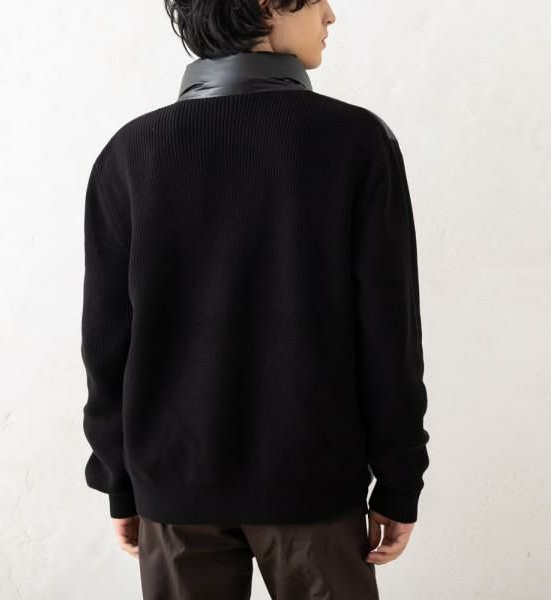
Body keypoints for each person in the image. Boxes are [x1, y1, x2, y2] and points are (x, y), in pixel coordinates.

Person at [80, 0, 430, 598]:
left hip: (175, 492)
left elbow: (106, 345)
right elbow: (389, 333)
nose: (330, 15)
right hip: (313, 487)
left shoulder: (130, 153)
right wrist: (400, 480)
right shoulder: (355, 141)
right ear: (268, 5)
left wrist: (120, 482)